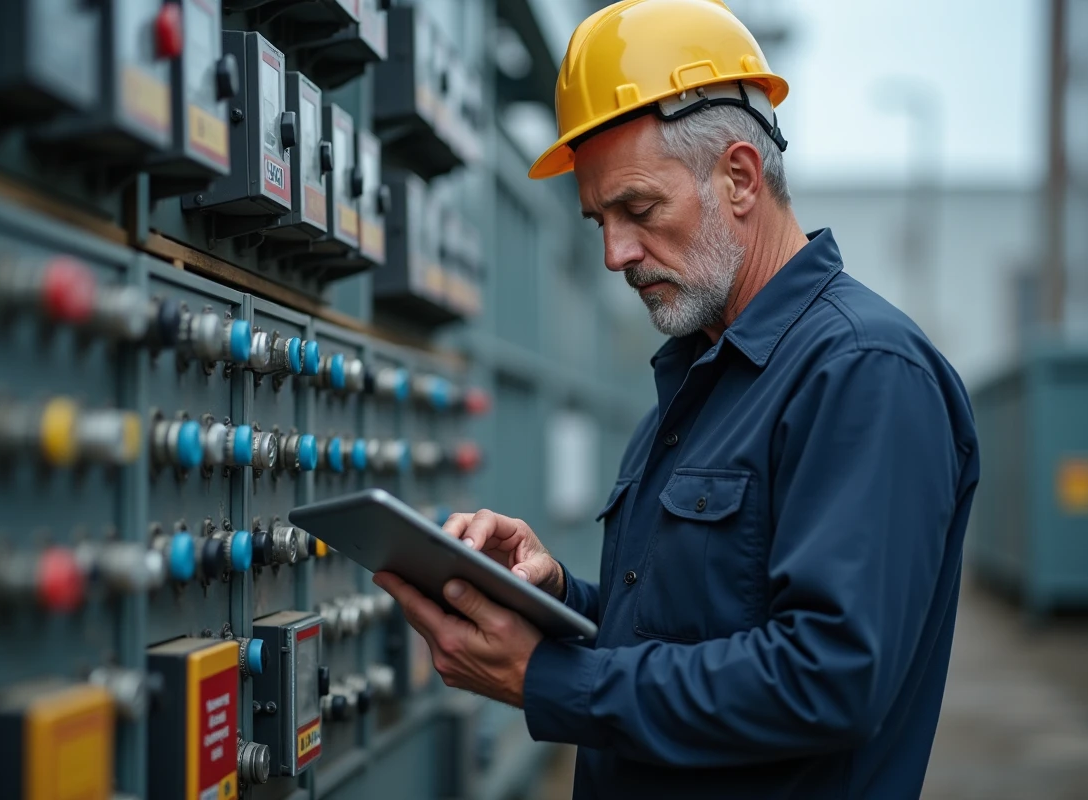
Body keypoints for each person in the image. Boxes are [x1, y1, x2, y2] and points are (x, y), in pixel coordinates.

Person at [372, 1, 980, 797]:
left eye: (638, 209)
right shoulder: (703, 376)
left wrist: (548, 680)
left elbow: (829, 678)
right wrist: (554, 594)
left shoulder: (863, 370)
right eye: (599, 220)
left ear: (738, 177)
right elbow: (687, 630)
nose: (616, 252)